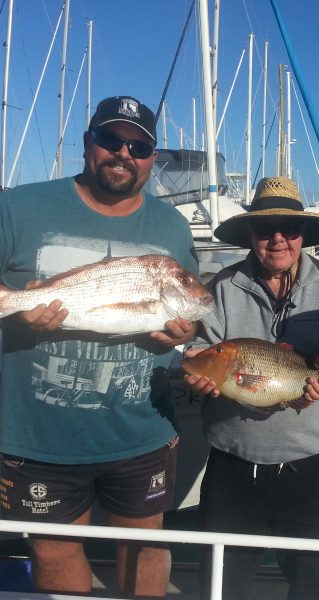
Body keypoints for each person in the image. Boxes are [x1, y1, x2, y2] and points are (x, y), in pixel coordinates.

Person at [0, 96, 200, 597]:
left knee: (145, 545)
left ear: (153, 158)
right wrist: (18, 320)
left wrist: (185, 333)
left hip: (140, 430)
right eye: (111, 139)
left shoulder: (173, 227)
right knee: (54, 549)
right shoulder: (16, 206)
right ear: (88, 143)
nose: (123, 153)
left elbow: (188, 306)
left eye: (139, 146)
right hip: (37, 432)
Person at [183, 176, 319, 600]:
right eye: (265, 230)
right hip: (234, 462)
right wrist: (200, 377)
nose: (278, 239)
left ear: (304, 235)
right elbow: (200, 349)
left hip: (310, 462)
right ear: (250, 236)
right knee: (224, 581)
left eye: (290, 229)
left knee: (312, 581)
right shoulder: (220, 287)